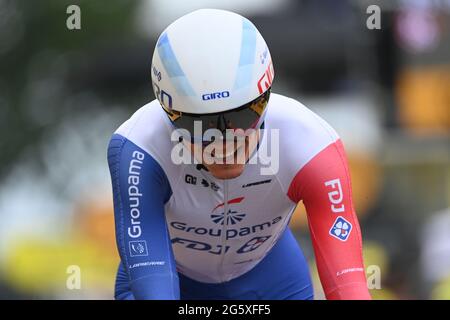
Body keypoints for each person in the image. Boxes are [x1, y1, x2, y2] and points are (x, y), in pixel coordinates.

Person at [107, 9, 371, 300]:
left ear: (265, 97)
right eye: (199, 124)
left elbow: (349, 289)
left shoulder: (310, 144)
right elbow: (154, 289)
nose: (223, 142)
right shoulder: (141, 148)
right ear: (167, 113)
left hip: (273, 284)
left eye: (242, 116)